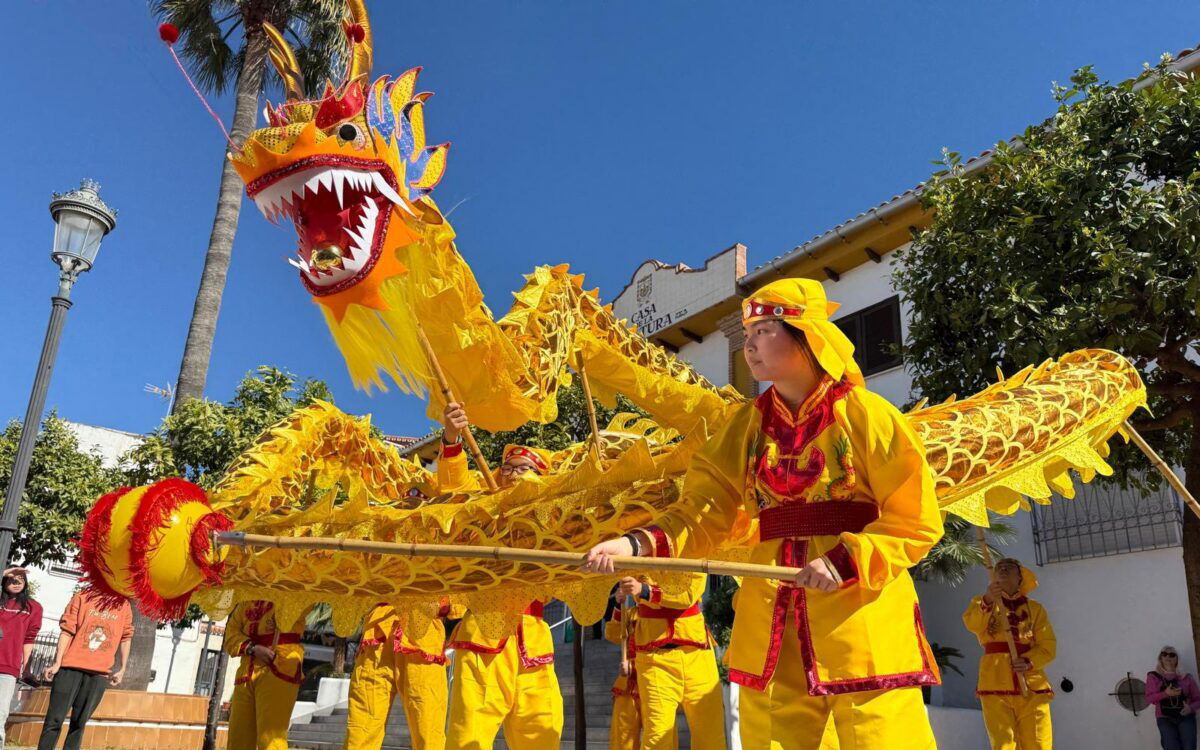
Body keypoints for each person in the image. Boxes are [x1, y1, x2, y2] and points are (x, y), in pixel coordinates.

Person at [585, 278, 944, 750]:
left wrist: (842, 561)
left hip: (858, 613)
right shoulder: (745, 425)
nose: (750, 345)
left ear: (806, 335)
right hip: (770, 608)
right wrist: (633, 544)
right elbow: (703, 509)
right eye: (747, 334)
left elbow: (914, 519)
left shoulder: (869, 415)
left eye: (764, 330)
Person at [439, 402, 563, 750]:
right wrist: (451, 437)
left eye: (522, 468)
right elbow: (453, 492)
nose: (511, 473)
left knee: (542, 737)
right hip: (484, 636)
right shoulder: (483, 512)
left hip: (533, 641)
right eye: (506, 467)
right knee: (469, 738)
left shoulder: (557, 522)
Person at [616, 574, 723, 749]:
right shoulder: (635, 558)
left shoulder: (696, 550)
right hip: (654, 658)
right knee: (657, 736)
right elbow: (613, 633)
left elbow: (688, 594)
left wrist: (645, 591)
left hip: (698, 655)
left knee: (710, 734)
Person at [962, 558, 1055, 750]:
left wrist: (1029, 661)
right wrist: (987, 600)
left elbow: (1048, 646)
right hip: (994, 680)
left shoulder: (1036, 609)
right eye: (999, 568)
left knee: (1039, 741)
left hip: (1031, 682)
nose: (1003, 570)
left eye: (1009, 568)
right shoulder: (982, 602)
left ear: (1020, 578)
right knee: (1003, 742)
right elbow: (972, 625)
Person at [343, 601, 457, 750]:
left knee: (427, 722)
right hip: (378, 633)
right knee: (362, 725)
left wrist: (441, 604)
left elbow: (460, 598)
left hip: (422, 636)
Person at [36, 588, 132, 750]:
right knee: (54, 720)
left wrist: (122, 668)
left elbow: (126, 636)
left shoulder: (124, 604)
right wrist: (57, 662)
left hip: (99, 674)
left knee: (79, 723)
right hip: (69, 669)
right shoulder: (83, 595)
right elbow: (67, 630)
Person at [224, 600, 306, 750]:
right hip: (246, 673)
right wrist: (252, 648)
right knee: (237, 740)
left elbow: (297, 611)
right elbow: (230, 636)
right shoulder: (247, 599)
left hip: (279, 668)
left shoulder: (297, 592)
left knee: (270, 741)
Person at [0, 568, 42, 748]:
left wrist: (26, 669)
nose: (16, 583)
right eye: (11, 579)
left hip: (7, 668)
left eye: (20, 580)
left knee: (0, 714)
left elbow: (29, 639)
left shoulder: (33, 608)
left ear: (25, 583)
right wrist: (4, 572)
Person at [1147, 646, 1200, 750]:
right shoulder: (1153, 677)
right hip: (1164, 718)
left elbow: (1198, 699)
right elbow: (1149, 698)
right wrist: (1166, 693)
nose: (1168, 656)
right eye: (1164, 654)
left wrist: (1190, 708)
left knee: (1189, 747)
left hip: (1186, 717)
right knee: (1170, 747)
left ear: (1177, 659)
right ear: (1160, 658)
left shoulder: (1186, 677)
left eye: (1172, 654)